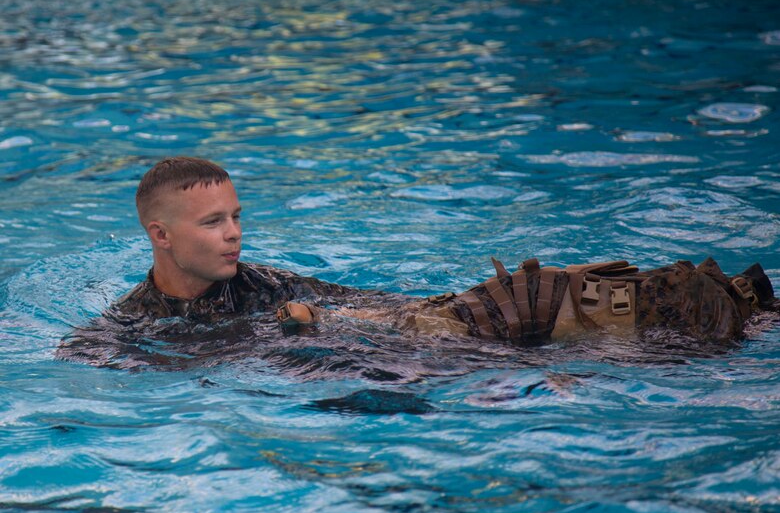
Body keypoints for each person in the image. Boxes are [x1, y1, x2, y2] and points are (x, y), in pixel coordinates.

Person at [57, 157, 778, 366]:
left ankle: (739, 309)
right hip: (394, 381)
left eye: (237, 216)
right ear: (159, 234)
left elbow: (380, 302)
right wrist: (295, 334)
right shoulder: (126, 328)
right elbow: (79, 358)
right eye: (213, 222)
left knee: (542, 298)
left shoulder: (264, 281)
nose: (234, 233)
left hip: (418, 349)